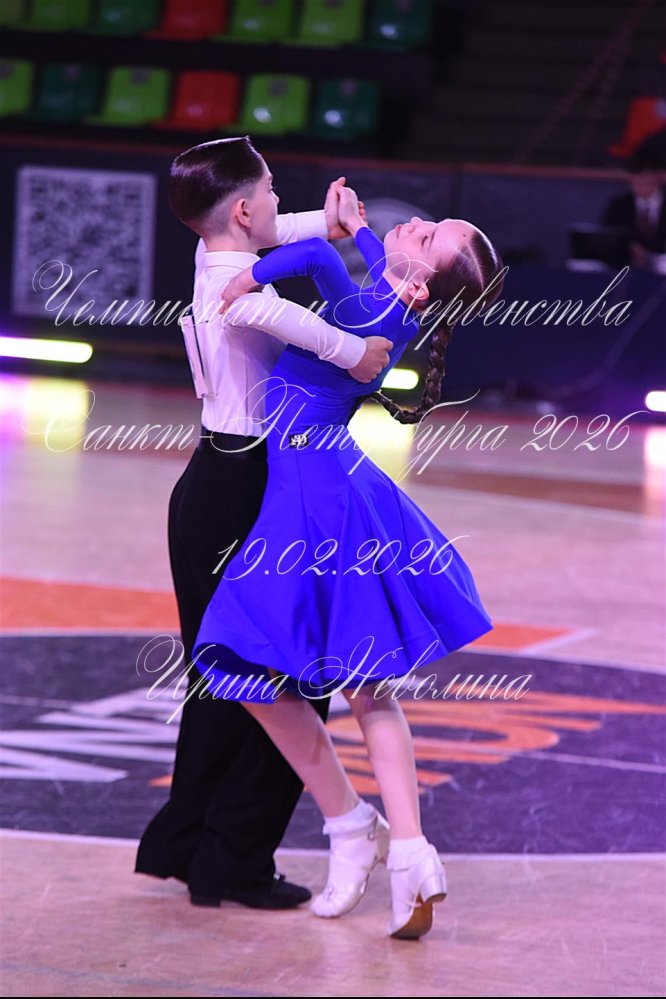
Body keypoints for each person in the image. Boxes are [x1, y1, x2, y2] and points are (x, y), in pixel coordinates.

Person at [190, 187, 505, 939]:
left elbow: (310, 258)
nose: (417, 224)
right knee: (360, 686)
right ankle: (401, 849)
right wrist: (364, 231)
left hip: (312, 498)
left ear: (422, 283)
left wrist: (250, 277)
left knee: (242, 661)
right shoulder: (394, 307)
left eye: (428, 236)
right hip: (329, 484)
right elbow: (364, 264)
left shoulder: (367, 311)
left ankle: (358, 826)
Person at [134, 137, 392, 911]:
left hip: (208, 484)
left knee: (221, 679)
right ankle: (236, 858)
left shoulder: (211, 254)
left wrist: (329, 223)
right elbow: (290, 318)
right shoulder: (241, 290)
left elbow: (267, 240)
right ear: (244, 210)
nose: (282, 201)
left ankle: (192, 844)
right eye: (273, 189)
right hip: (250, 491)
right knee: (285, 681)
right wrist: (357, 351)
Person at [601, 146, 666, 271]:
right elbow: (606, 238)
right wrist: (627, 248)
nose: (641, 182)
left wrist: (650, 256)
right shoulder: (619, 205)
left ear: (659, 177)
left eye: (646, 178)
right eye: (637, 178)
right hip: (624, 268)